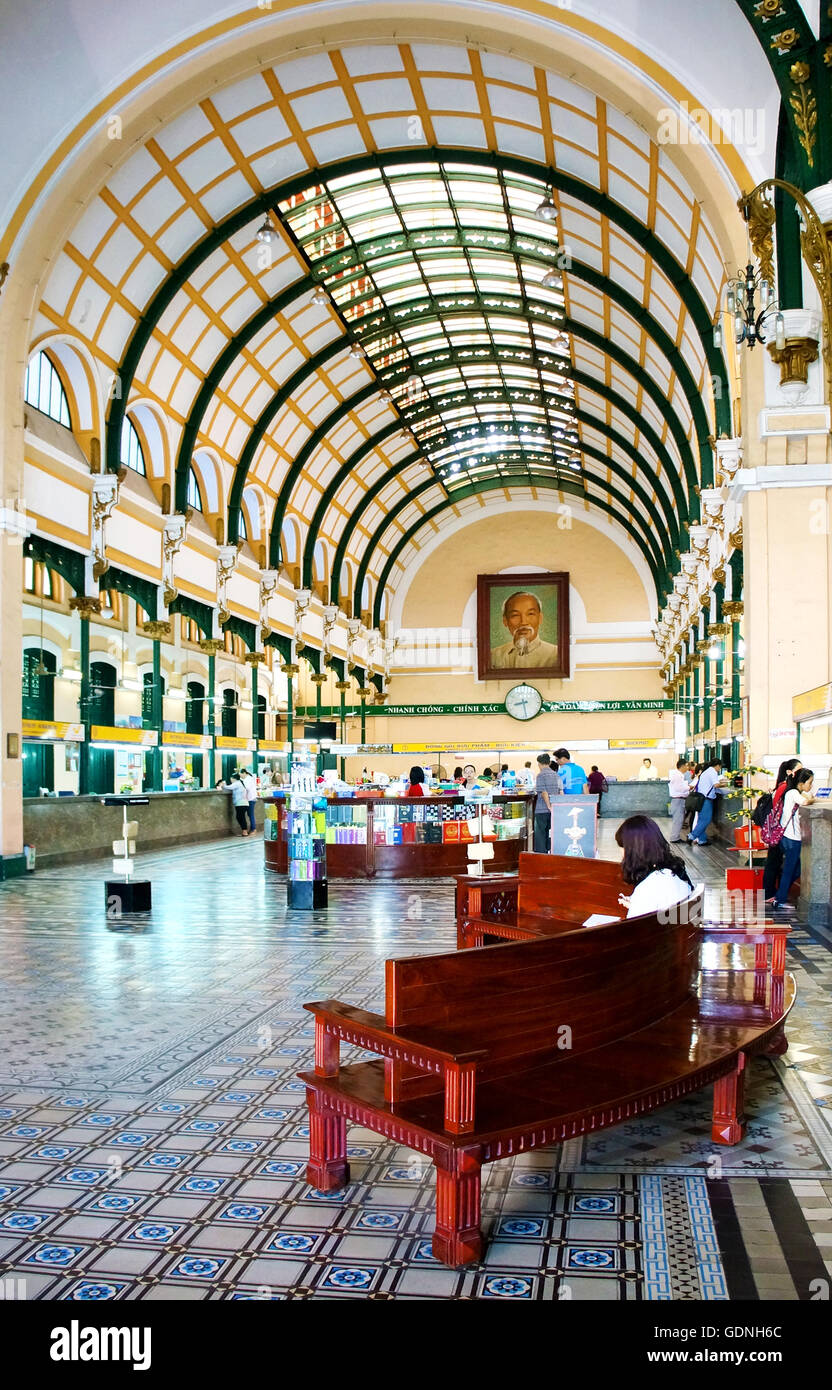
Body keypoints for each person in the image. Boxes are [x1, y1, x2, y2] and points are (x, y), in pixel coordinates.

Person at [615, 815, 694, 918]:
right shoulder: (673, 872)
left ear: (633, 851)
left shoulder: (648, 888)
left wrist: (639, 902)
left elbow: (634, 928)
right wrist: (636, 904)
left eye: (623, 847)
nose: (621, 854)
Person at [774, 768, 815, 912]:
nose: (810, 786)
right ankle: (780, 900)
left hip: (789, 837)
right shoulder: (792, 793)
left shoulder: (792, 792)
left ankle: (780, 895)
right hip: (792, 838)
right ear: (801, 782)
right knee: (790, 870)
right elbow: (806, 802)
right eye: (809, 783)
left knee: (795, 870)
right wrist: (813, 798)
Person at [763, 758, 802, 904]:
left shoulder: (782, 786)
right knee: (774, 862)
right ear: (789, 772)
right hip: (780, 832)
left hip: (777, 831)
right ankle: (772, 894)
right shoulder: (786, 788)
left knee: (775, 862)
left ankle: (775, 893)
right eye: (799, 770)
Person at [490, 591, 558, 669]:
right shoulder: (494, 656)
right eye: (515, 615)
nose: (523, 622)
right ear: (505, 621)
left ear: (540, 618)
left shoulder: (555, 654)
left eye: (530, 614)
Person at [688, 758, 726, 846]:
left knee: (701, 819)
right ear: (717, 765)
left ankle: (702, 840)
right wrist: (726, 784)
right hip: (705, 799)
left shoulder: (706, 771)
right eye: (719, 767)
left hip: (700, 798)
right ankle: (691, 836)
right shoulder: (712, 771)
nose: (719, 769)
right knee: (706, 819)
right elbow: (716, 785)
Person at [533, 752, 562, 852]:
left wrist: (548, 805)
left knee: (540, 833)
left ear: (539, 764)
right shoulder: (556, 775)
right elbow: (559, 791)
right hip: (553, 809)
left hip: (542, 809)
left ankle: (541, 854)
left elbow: (544, 792)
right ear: (549, 763)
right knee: (550, 832)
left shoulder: (540, 775)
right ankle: (550, 851)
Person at [667, 758, 692, 843]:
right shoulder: (677, 775)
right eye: (687, 766)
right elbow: (679, 788)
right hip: (678, 800)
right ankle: (674, 838)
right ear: (683, 766)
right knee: (678, 820)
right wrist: (689, 787)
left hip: (678, 800)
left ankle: (675, 837)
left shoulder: (678, 775)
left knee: (679, 819)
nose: (687, 768)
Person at [220, 772, 250, 836]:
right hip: (244, 803)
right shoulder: (240, 783)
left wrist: (223, 785)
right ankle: (244, 831)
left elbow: (229, 787)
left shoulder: (237, 783)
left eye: (231, 779)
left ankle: (245, 832)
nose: (231, 780)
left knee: (240, 817)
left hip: (240, 803)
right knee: (241, 817)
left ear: (234, 779)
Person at [240, 766, 258, 833]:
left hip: (251, 798)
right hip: (249, 798)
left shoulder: (248, 779)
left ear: (244, 773)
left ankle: (253, 829)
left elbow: (247, 788)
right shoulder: (247, 779)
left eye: (241, 775)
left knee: (251, 814)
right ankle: (252, 829)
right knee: (250, 814)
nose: (241, 776)